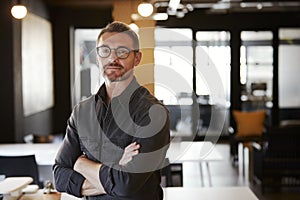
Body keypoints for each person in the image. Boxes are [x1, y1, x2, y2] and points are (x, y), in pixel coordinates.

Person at [53, 21, 170, 200]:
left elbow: (126, 184)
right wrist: (116, 170)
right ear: (98, 56)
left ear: (137, 58)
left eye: (122, 51)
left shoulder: (153, 113)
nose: (112, 58)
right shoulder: (82, 112)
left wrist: (81, 164)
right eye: (105, 51)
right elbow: (59, 177)